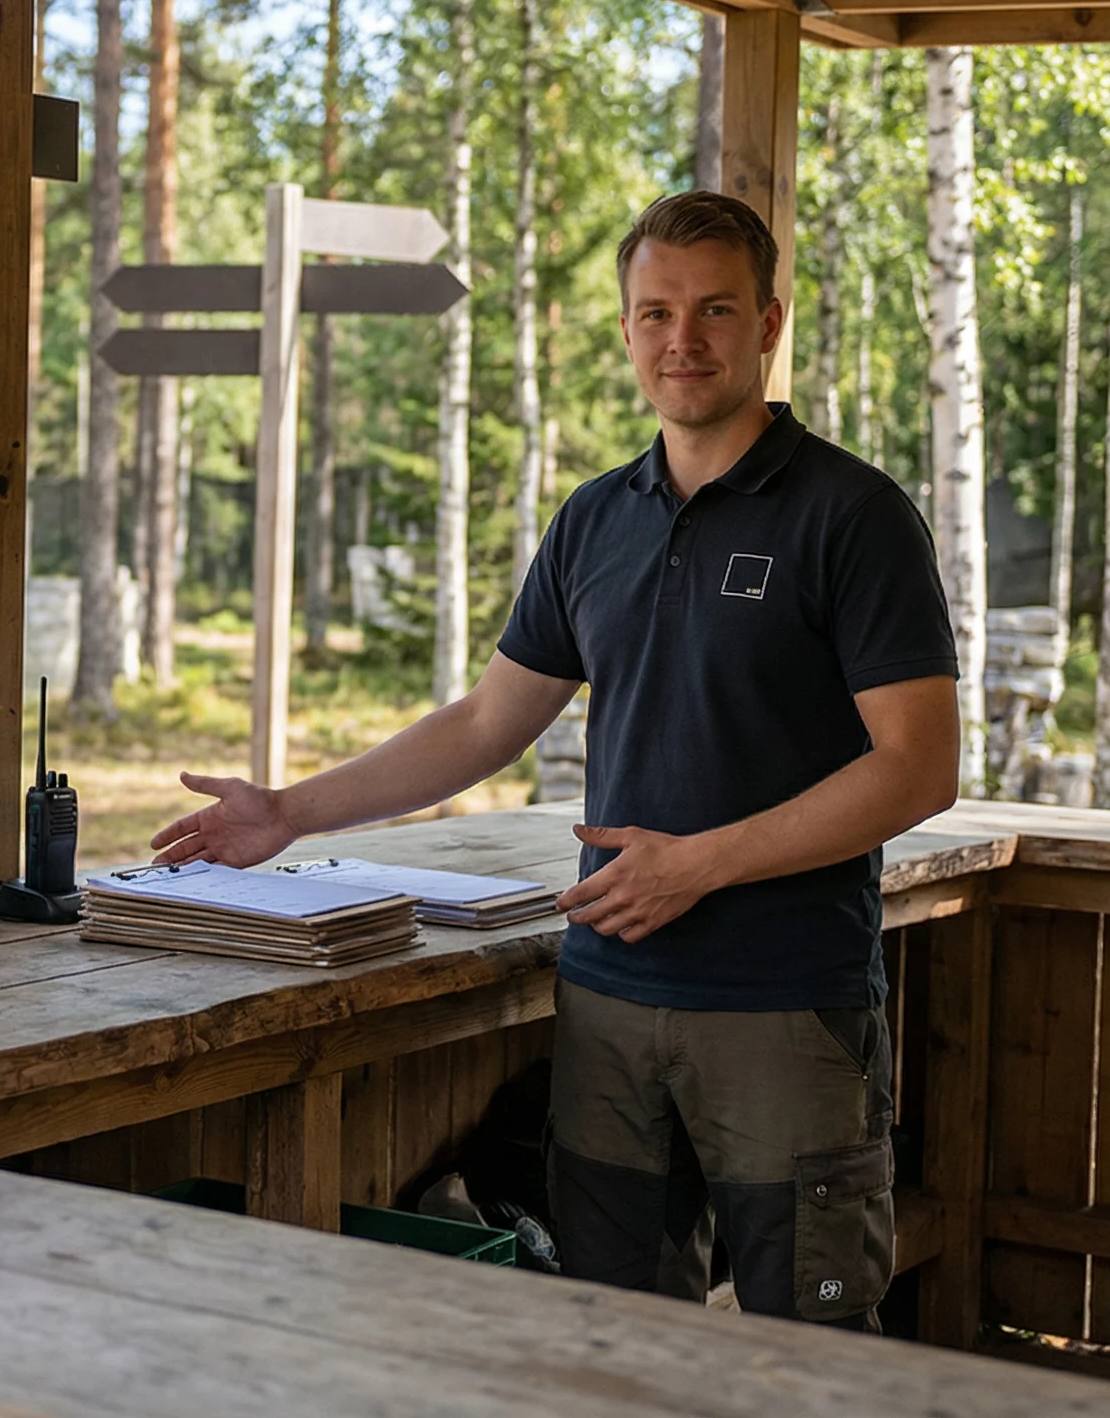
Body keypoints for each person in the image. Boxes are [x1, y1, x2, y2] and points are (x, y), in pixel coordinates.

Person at [149, 190, 958, 1330]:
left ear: (769, 323)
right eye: (655, 312)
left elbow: (919, 768)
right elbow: (485, 723)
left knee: (814, 1356)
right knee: (612, 1343)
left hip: (783, 1006)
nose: (684, 338)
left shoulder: (852, 516)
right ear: (626, 329)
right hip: (609, 1004)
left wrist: (701, 865)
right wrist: (287, 811)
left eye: (715, 309)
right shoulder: (595, 519)